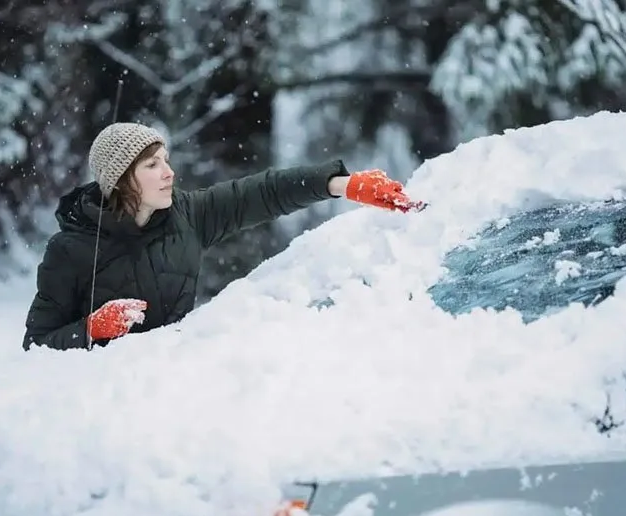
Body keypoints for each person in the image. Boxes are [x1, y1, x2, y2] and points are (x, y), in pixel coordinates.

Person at [22, 122, 423, 351]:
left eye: (167, 161)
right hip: (104, 406)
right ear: (121, 179)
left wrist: (341, 184)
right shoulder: (70, 250)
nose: (169, 173)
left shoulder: (186, 217)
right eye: (152, 165)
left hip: (174, 389)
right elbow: (37, 342)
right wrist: (90, 329)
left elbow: (262, 192)